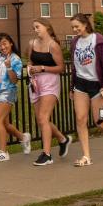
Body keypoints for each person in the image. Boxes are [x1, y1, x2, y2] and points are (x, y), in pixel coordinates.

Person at [66, 13, 103, 166]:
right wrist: (72, 87)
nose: (74, 29)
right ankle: (86, 156)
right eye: (72, 27)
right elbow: (75, 66)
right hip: (80, 85)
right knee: (80, 119)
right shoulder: (74, 43)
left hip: (97, 87)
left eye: (76, 26)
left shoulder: (98, 40)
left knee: (100, 121)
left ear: (85, 25)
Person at [27, 18, 71, 166]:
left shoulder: (53, 46)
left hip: (50, 82)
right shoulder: (32, 44)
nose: (35, 30)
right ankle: (62, 139)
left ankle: (46, 154)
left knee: (43, 117)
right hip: (35, 83)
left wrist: (43, 68)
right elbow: (29, 62)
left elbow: (61, 68)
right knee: (41, 120)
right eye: (34, 28)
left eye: (38, 27)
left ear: (47, 27)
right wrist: (29, 68)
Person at [0, 32, 31, 161]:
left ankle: (3, 152)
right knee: (5, 123)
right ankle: (23, 138)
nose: (2, 47)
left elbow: (15, 80)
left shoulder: (15, 59)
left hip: (7, 91)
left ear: (11, 43)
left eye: (4, 43)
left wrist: (9, 67)